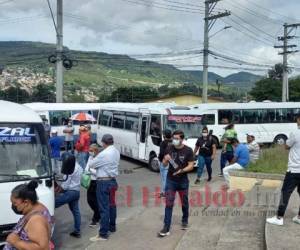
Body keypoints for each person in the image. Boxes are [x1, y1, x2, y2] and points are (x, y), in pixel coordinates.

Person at [159, 130, 194, 237]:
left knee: (184, 202)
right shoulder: (169, 148)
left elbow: (191, 165)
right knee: (169, 203)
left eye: (177, 138)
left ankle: (184, 220)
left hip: (183, 181)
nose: (174, 140)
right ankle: (166, 227)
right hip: (171, 180)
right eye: (174, 138)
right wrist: (165, 160)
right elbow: (164, 165)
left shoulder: (188, 150)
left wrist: (181, 171)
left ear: (182, 139)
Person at [266, 114, 300, 226]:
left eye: (297, 120)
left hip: (294, 170)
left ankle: (279, 217)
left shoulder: (295, 133)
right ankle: (299, 217)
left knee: (285, 193)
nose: (296, 122)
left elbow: (286, 146)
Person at [4, 181, 53, 250]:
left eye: (15, 203)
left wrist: (15, 242)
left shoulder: (36, 220)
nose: (13, 206)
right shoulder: (36, 206)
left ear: (26, 202)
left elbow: (43, 248)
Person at [89, 134, 120, 241]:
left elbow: (91, 165)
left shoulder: (104, 154)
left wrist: (96, 155)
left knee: (104, 208)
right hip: (112, 181)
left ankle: (103, 233)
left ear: (103, 143)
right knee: (112, 205)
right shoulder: (116, 151)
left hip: (103, 182)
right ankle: (112, 227)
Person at [55, 154, 83, 238]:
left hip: (70, 192)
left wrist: (57, 191)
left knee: (52, 204)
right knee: (76, 212)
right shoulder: (78, 166)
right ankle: (77, 231)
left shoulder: (70, 169)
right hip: (76, 191)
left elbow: (65, 185)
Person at [85, 144, 101, 227]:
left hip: (97, 182)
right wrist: (90, 170)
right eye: (89, 150)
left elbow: (98, 173)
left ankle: (95, 219)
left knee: (95, 201)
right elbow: (86, 168)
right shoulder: (90, 158)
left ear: (96, 151)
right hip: (90, 181)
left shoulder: (99, 159)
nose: (90, 152)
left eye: (91, 151)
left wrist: (90, 170)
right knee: (89, 200)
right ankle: (98, 214)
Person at [158, 129, 173, 197]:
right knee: (170, 177)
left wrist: (161, 159)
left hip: (165, 162)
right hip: (172, 162)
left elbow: (161, 153)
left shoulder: (163, 143)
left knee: (164, 178)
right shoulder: (173, 142)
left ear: (164, 135)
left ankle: (164, 192)